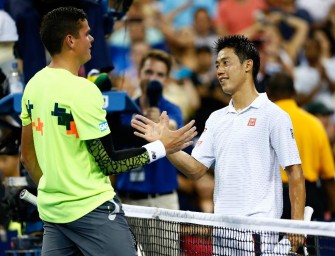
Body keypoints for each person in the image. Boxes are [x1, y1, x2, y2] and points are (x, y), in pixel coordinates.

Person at [19, 7, 197, 256]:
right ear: (70, 40)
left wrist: (55, 190)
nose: (92, 39)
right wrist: (161, 147)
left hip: (53, 213)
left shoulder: (33, 86)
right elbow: (108, 162)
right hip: (92, 210)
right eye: (86, 33)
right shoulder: (83, 91)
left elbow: (26, 155)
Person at [131, 35, 306, 254]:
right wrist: (165, 146)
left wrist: (298, 228)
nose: (219, 71)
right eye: (217, 65)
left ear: (247, 66)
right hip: (222, 230)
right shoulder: (216, 118)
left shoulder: (274, 116)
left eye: (226, 63)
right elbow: (195, 169)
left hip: (257, 231)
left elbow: (295, 172)